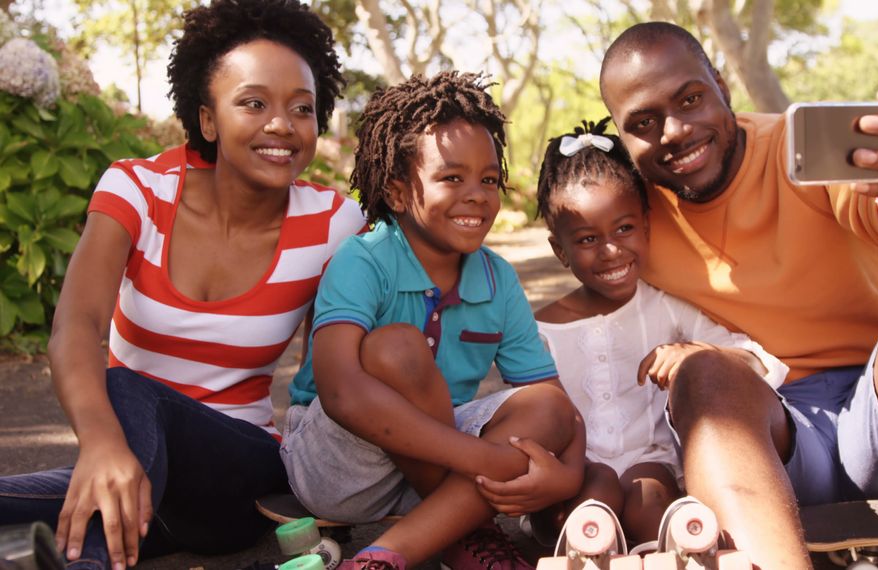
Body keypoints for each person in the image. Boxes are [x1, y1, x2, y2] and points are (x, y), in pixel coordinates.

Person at [596, 21, 878, 570]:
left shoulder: (797, 151)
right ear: (620, 134)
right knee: (703, 373)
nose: (675, 131)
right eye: (644, 122)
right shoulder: (630, 215)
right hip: (763, 439)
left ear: (722, 86)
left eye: (690, 98)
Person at [0, 1, 364, 568]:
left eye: (302, 108)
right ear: (208, 118)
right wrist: (100, 445)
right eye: (253, 103)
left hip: (241, 478)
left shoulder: (332, 224)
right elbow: (77, 324)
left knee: (126, 387)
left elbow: (335, 373)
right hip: (129, 461)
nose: (282, 125)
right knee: (68, 487)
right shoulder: (138, 190)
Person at [280, 71, 586, 570]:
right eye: (452, 177)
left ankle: (382, 559)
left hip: (436, 458)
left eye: (489, 179)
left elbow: (558, 411)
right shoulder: (363, 259)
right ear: (399, 193)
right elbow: (340, 394)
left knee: (547, 406)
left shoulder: (498, 277)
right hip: (340, 462)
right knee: (397, 348)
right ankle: (468, 536)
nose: (477, 194)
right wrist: (487, 461)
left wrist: (566, 476)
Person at [523, 118, 787, 545]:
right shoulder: (541, 331)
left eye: (624, 229)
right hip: (573, 475)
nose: (611, 251)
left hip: (651, 463)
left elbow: (757, 360)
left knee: (649, 496)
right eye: (588, 239)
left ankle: (669, 548)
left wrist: (695, 352)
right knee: (596, 493)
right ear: (560, 251)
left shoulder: (666, 307)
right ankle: (588, 546)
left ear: (646, 225)